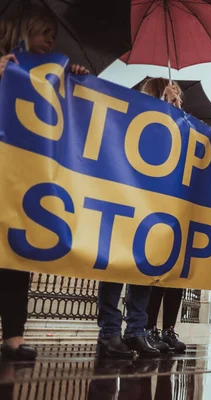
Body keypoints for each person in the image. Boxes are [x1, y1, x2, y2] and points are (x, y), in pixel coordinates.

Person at [0, 9, 88, 361]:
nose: (52, 40)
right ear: (28, 31)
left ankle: (14, 336)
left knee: (16, 253)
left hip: (27, 173)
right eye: (46, 32)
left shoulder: (54, 74)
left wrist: (77, 77)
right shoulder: (8, 65)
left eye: (54, 34)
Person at [136, 78, 187, 354]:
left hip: (177, 203)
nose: (177, 97)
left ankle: (168, 329)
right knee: (155, 268)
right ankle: (148, 328)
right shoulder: (148, 115)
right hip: (153, 201)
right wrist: (164, 105)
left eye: (179, 95)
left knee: (176, 271)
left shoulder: (186, 121)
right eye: (171, 92)